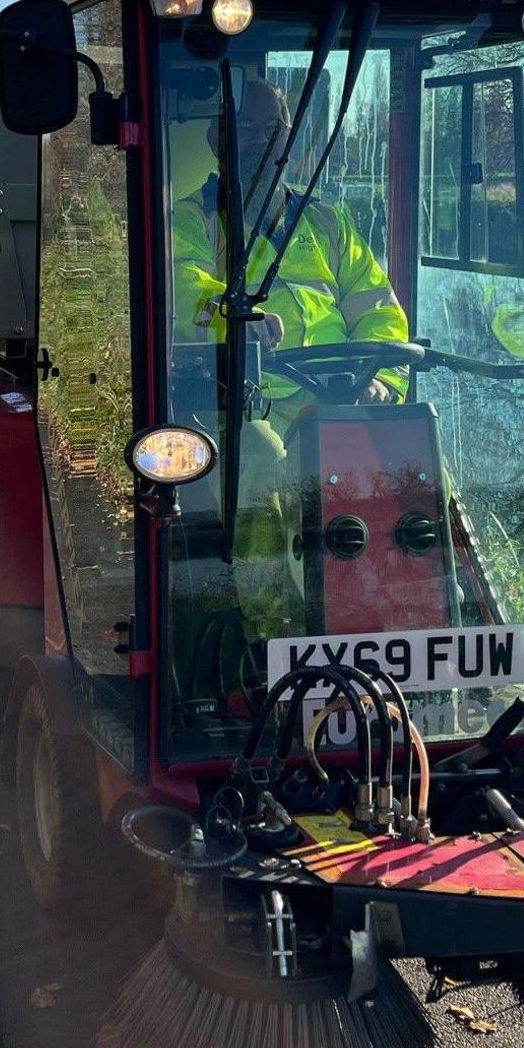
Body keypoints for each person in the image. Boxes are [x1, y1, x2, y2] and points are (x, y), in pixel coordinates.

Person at [169, 75, 413, 644]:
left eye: (271, 130)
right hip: (240, 405)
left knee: (417, 456)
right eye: (244, 129)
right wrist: (235, 317)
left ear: (290, 143)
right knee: (262, 459)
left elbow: (379, 308)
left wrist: (382, 378)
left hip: (335, 401)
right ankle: (275, 638)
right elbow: (181, 287)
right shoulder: (192, 218)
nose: (259, 140)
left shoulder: (328, 222)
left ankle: (423, 624)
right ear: (215, 140)